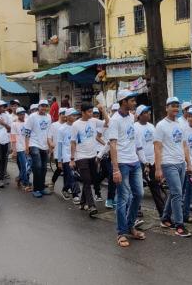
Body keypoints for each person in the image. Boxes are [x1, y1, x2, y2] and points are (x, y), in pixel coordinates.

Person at [109, 90, 146, 247]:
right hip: (122, 164)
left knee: (139, 194)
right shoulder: (114, 120)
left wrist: (143, 159)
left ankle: (130, 226)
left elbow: (135, 140)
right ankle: (121, 232)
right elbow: (112, 144)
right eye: (132, 101)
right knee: (123, 198)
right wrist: (115, 169)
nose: (135, 103)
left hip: (134, 162)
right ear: (124, 101)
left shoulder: (132, 117)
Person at [155, 97, 192, 238]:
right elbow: (157, 148)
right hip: (168, 163)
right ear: (166, 108)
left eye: (177, 106)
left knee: (174, 192)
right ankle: (179, 225)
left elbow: (184, 145)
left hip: (181, 163)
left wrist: (188, 163)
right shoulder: (161, 125)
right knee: (177, 193)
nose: (175, 108)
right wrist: (158, 168)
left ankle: (165, 219)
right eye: (172, 106)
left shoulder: (181, 124)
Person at [70, 103, 102, 217]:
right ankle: (91, 205)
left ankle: (83, 202)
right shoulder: (75, 125)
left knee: (91, 180)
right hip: (81, 156)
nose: (91, 114)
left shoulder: (93, 121)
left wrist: (103, 110)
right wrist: (72, 159)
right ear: (82, 112)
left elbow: (108, 123)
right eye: (89, 112)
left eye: (92, 112)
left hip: (93, 155)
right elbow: (73, 142)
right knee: (87, 180)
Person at [134, 104, 165, 218]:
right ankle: (136, 209)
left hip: (152, 161)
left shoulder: (152, 127)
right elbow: (137, 147)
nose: (149, 114)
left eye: (149, 112)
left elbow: (156, 144)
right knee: (137, 188)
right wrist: (144, 162)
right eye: (146, 112)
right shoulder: (135, 127)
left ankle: (163, 213)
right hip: (139, 162)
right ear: (140, 115)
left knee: (155, 187)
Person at [24, 100, 52, 198]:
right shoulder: (32, 116)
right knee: (38, 167)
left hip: (44, 145)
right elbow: (27, 131)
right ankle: (36, 189)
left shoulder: (49, 117)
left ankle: (42, 188)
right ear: (38, 106)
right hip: (34, 143)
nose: (44, 108)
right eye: (42, 106)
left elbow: (49, 132)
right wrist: (26, 146)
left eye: (45, 106)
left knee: (44, 168)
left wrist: (49, 145)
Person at [57, 108, 81, 204]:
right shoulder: (62, 129)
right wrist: (59, 160)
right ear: (67, 116)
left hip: (77, 155)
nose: (75, 117)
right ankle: (75, 195)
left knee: (70, 176)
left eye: (76, 115)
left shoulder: (77, 127)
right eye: (73, 115)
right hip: (66, 156)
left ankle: (65, 189)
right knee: (72, 175)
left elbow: (79, 142)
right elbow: (59, 145)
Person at [11, 107, 31, 192]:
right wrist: (14, 151)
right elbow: (13, 138)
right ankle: (25, 183)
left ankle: (20, 178)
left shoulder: (27, 122)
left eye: (23, 113)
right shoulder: (14, 124)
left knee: (28, 166)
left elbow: (29, 135)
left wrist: (28, 146)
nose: (22, 115)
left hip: (27, 146)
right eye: (20, 114)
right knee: (24, 166)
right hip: (19, 148)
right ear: (17, 115)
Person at [47, 108, 67, 190]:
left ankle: (66, 188)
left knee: (67, 170)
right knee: (59, 168)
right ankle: (52, 182)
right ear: (60, 114)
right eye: (63, 114)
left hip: (67, 151)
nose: (65, 116)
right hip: (57, 151)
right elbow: (49, 137)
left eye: (66, 114)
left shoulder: (69, 125)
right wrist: (51, 145)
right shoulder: (54, 125)